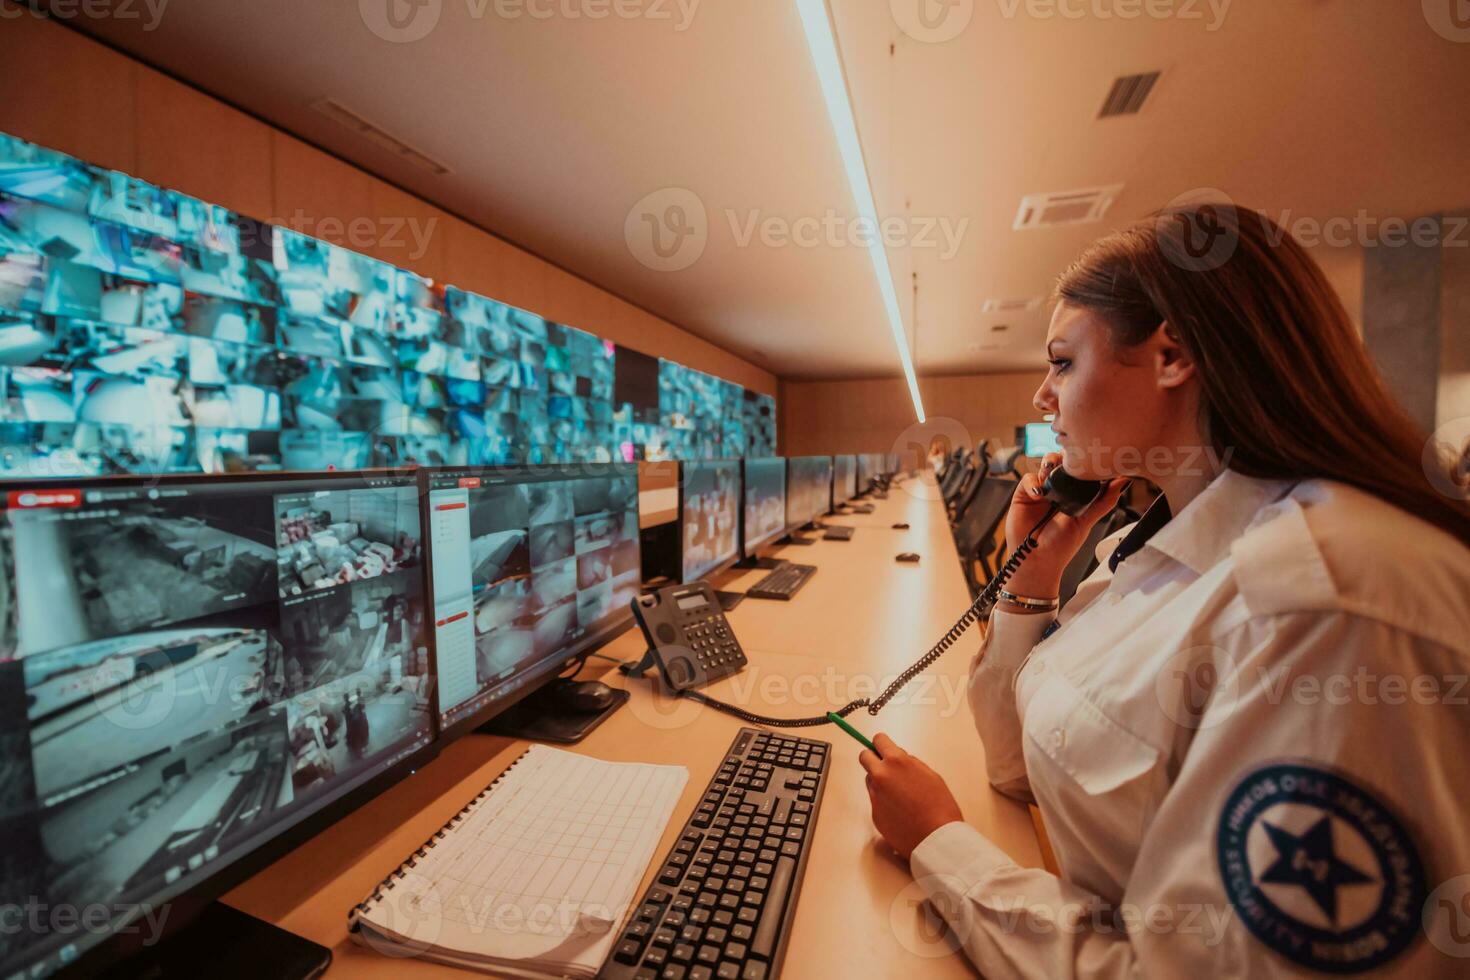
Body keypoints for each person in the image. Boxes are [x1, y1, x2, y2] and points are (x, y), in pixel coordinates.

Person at [859, 204, 1470, 977]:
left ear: (1173, 354)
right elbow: (1020, 769)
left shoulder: (1321, 602)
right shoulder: (1147, 544)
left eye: (1062, 362)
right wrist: (1030, 584)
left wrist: (942, 846)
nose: (1044, 397)